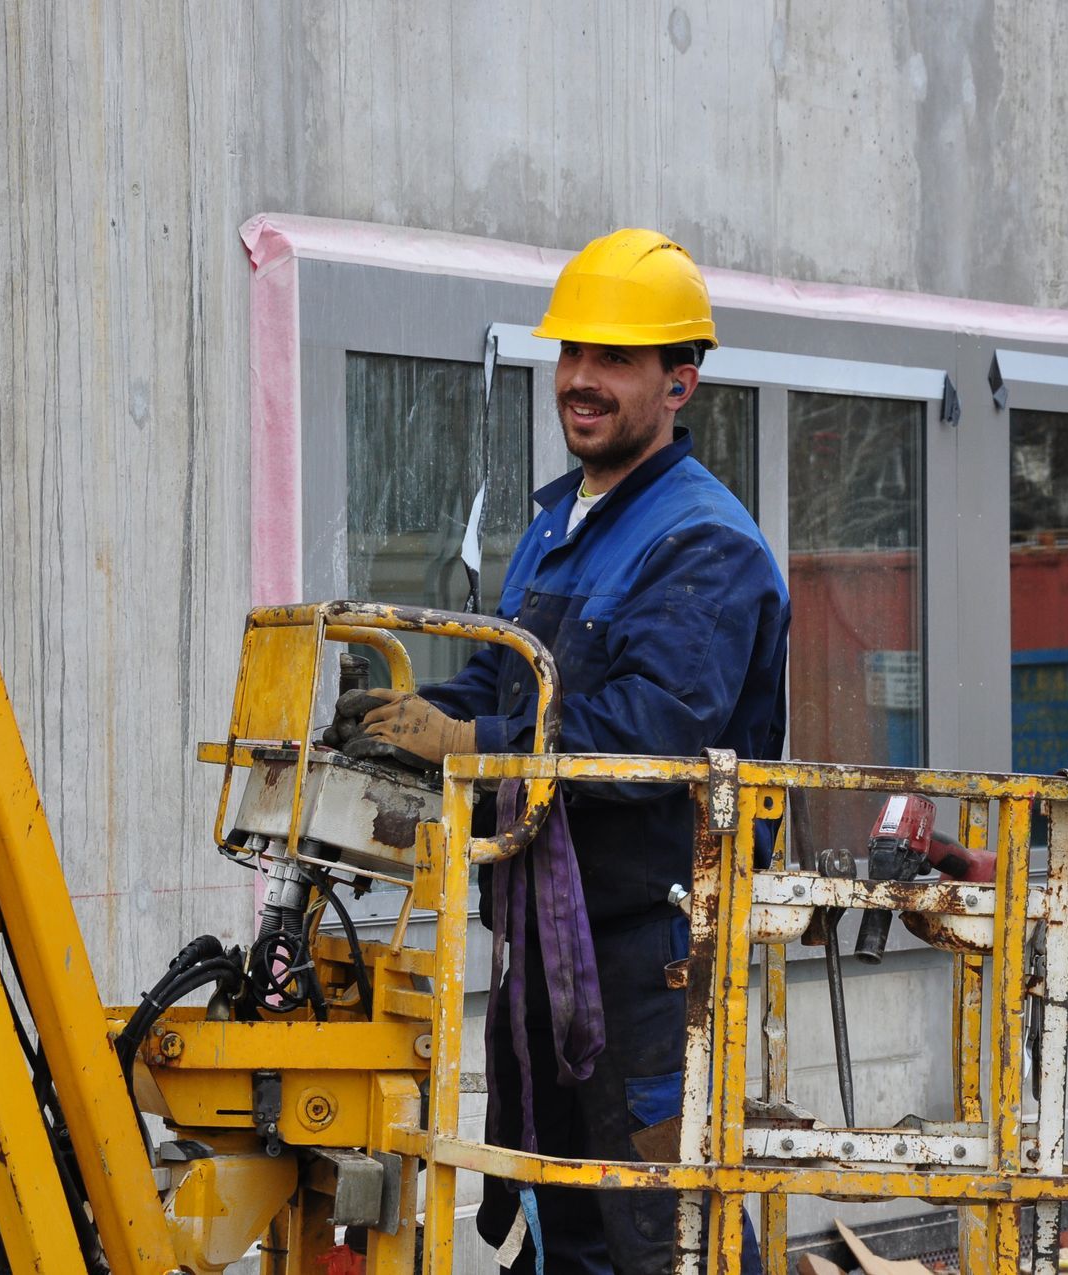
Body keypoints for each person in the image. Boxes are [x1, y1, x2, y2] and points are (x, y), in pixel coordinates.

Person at [346, 228, 789, 1273]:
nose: (581, 382)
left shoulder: (703, 543)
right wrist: (407, 714)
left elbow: (643, 734)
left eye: (615, 361)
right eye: (571, 354)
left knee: (667, 1233)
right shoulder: (563, 523)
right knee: (566, 1224)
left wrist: (471, 741)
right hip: (550, 937)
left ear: (679, 381)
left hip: (652, 955)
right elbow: (519, 684)